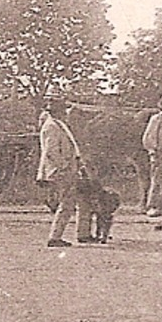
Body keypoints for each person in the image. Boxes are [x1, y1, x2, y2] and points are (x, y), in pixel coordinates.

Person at [36, 98, 91, 248]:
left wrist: (79, 164)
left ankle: (83, 234)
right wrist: (64, 166)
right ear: (58, 112)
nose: (66, 113)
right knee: (67, 204)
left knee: (82, 201)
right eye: (64, 110)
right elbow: (51, 152)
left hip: (71, 168)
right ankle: (54, 237)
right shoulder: (51, 127)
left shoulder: (60, 125)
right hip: (61, 171)